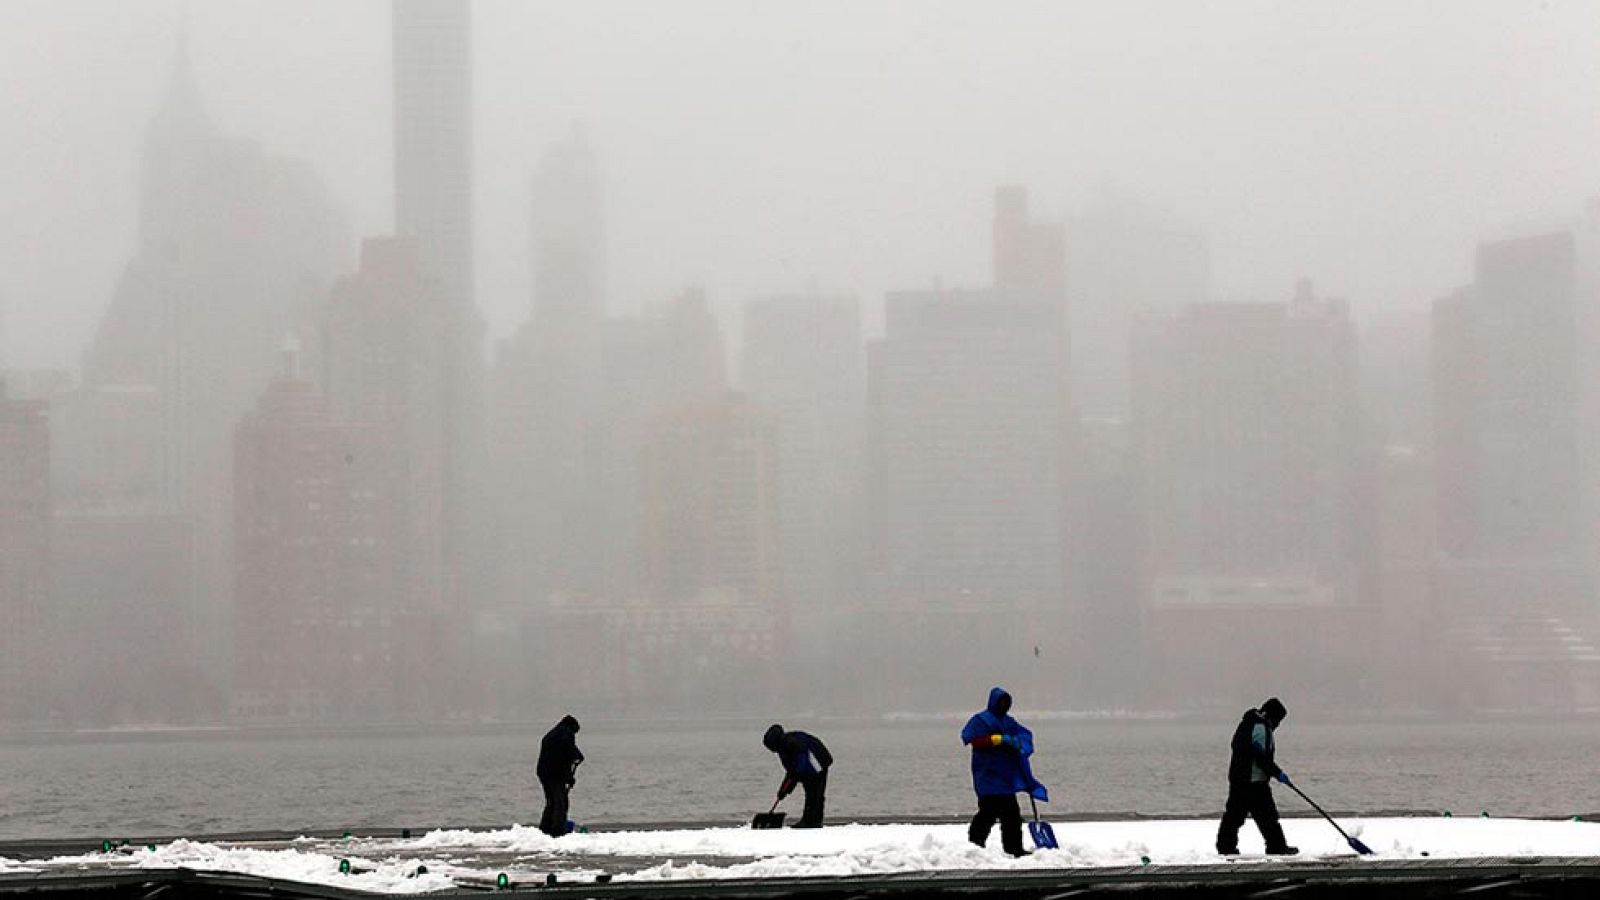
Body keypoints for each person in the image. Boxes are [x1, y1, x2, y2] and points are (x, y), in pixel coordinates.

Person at [960, 687, 1048, 857]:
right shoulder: (981, 720)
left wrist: (1018, 743)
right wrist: (996, 739)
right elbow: (972, 740)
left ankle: (1014, 848)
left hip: (1005, 777)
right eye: (1001, 702)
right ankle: (975, 846)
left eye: (1006, 703)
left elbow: (1022, 738)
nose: (1003, 705)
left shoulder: (1009, 722)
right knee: (988, 812)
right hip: (987, 775)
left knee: (1012, 815)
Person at [1216, 697, 1298, 856]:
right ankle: (1277, 847)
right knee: (1267, 817)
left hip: (1240, 780)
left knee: (1234, 816)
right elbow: (1261, 759)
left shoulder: (1247, 724)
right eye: (1278, 720)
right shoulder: (1260, 728)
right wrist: (1277, 773)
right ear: (1272, 716)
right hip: (1254, 782)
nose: (1278, 725)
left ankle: (1225, 847)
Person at [762, 724, 833, 828]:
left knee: (813, 793)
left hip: (816, 764)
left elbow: (800, 764)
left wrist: (794, 778)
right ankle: (814, 821)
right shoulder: (783, 746)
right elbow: (791, 772)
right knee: (815, 794)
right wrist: (783, 791)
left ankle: (810, 822)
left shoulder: (790, 743)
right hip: (813, 764)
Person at [536, 714, 584, 838]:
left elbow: (566, 751)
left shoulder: (552, 734)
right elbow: (566, 755)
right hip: (555, 773)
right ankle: (557, 830)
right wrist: (569, 776)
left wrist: (577, 755)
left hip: (544, 772)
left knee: (551, 801)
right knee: (560, 802)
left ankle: (545, 827)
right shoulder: (567, 734)